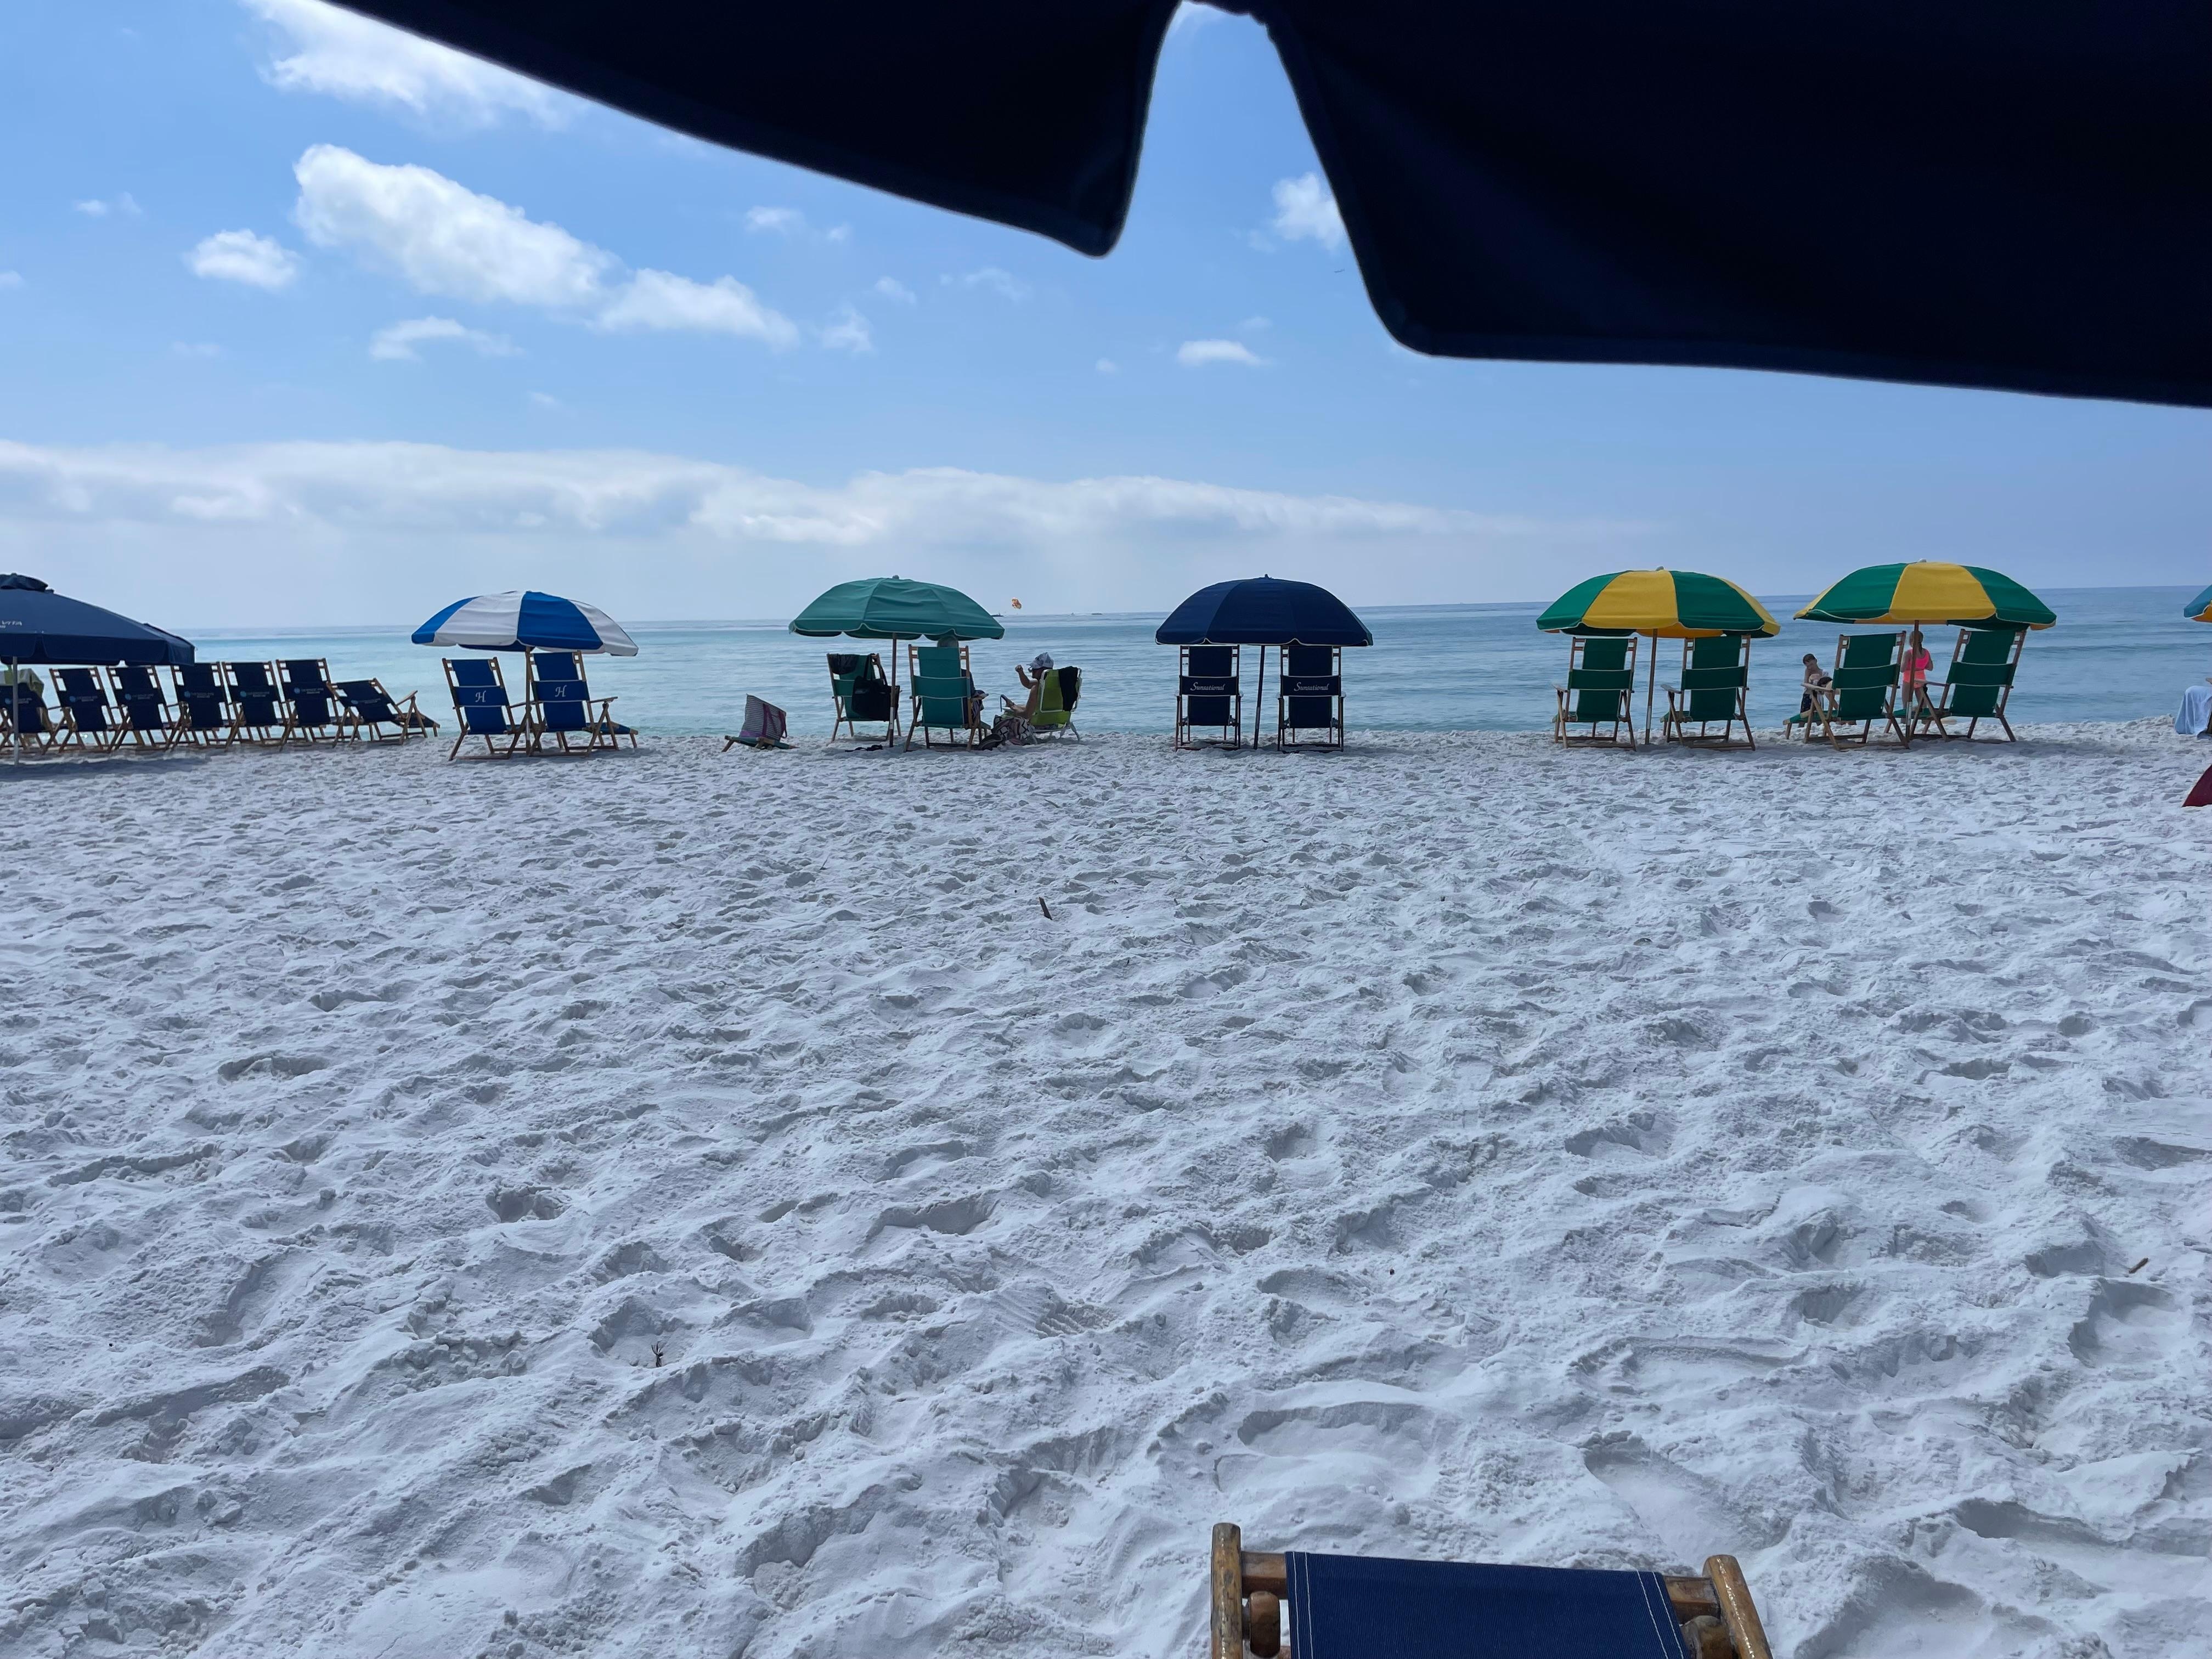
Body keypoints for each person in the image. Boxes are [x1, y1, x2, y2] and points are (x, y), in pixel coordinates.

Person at [1790, 652, 1831, 728]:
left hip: (1818, 696)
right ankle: (1800, 729)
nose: (1810, 667)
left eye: (1811, 664)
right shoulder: (1808, 671)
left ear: (1816, 661)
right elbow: (1806, 683)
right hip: (1808, 696)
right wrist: (1811, 679)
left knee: (1819, 717)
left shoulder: (1824, 672)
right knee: (1803, 717)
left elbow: (1825, 687)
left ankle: (1823, 729)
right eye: (1808, 666)